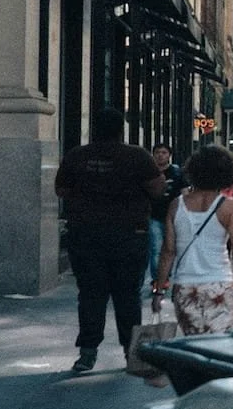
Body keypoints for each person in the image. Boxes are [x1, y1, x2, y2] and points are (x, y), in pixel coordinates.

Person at [56, 109, 167, 373]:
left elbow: (60, 189)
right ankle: (131, 353)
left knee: (90, 294)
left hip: (86, 236)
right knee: (127, 296)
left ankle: (87, 352)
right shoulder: (137, 156)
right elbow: (157, 189)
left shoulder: (77, 156)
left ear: (94, 129)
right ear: (121, 130)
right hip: (129, 236)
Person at [150, 146, 233, 363]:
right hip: (219, 285)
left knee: (194, 349)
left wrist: (158, 290)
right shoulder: (229, 206)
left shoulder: (176, 205)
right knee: (222, 350)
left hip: (186, 286)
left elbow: (168, 251)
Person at [146, 143, 185, 287]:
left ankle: (165, 274)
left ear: (169, 155)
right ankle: (158, 279)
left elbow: (184, 192)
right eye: (157, 152)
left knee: (170, 247)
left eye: (163, 152)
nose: (160, 155)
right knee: (156, 247)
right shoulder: (148, 172)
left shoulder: (177, 173)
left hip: (173, 216)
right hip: (154, 216)